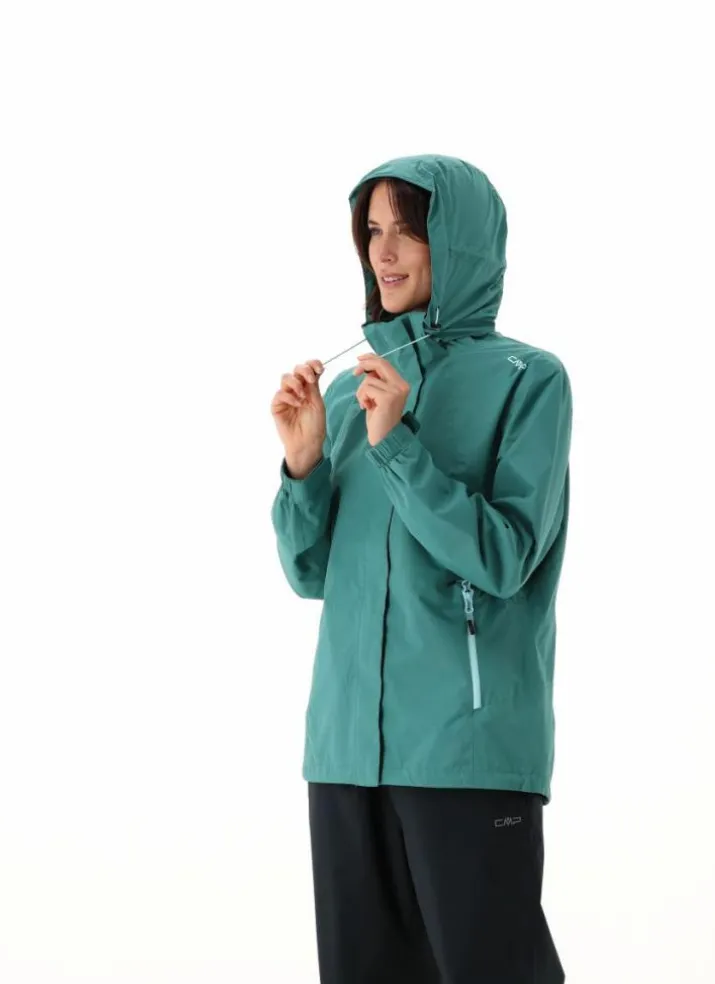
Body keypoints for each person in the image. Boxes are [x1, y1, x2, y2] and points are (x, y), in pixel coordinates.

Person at [270, 154, 572, 984]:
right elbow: (311, 574)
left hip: (466, 751)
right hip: (344, 752)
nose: (385, 251)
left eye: (410, 229)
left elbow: (506, 557)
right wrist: (304, 467)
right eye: (372, 230)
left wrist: (399, 446)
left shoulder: (529, 381)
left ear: (460, 242)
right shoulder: (350, 394)